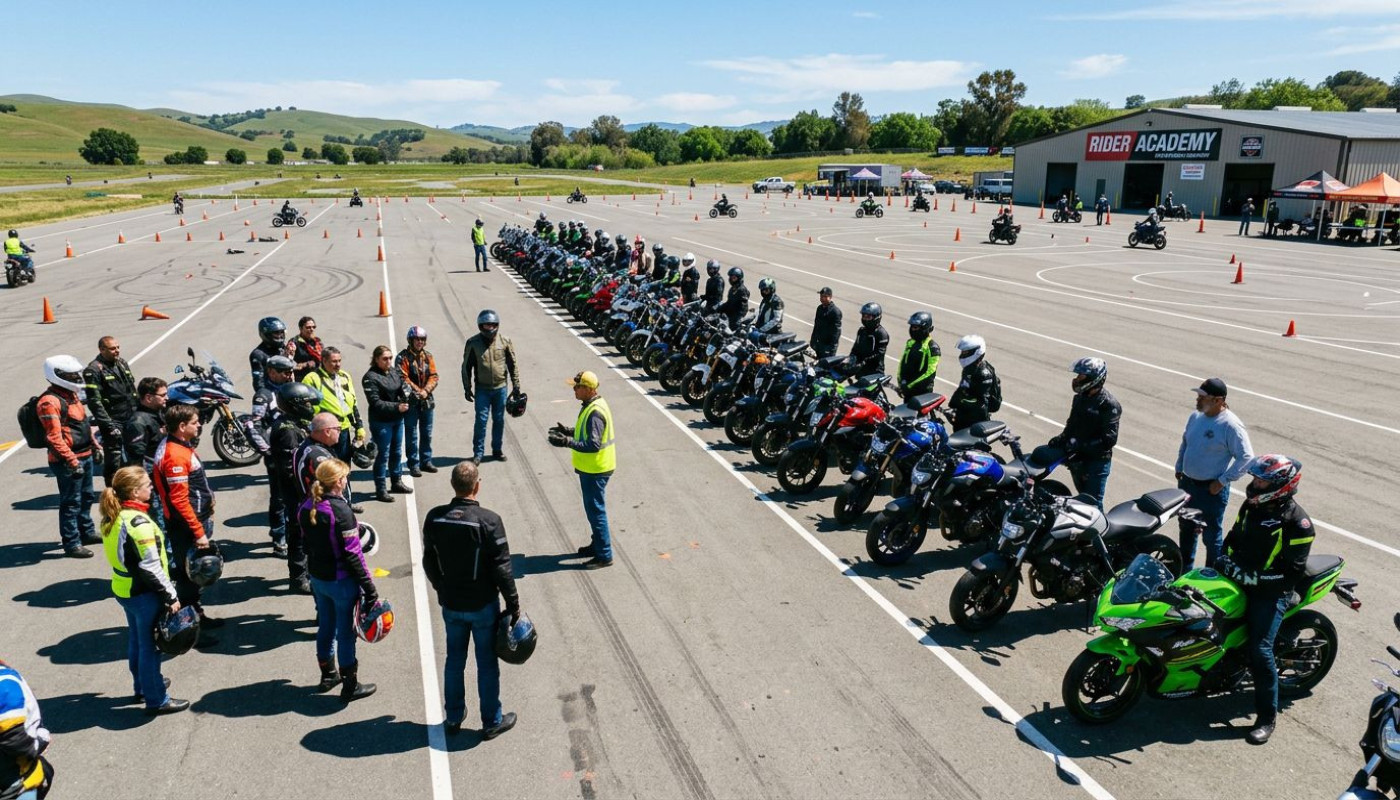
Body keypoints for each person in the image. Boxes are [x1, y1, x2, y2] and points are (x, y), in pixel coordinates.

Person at [1214, 454, 1312, 745]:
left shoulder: (1298, 523)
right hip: (1240, 576)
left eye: (1262, 480)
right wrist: (1222, 557)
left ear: (1281, 485)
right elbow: (1234, 536)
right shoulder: (1251, 505)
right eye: (1255, 479)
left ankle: (1267, 718)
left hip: (1273, 591)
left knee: (1260, 649)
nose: (1255, 484)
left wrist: (1256, 579)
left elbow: (1292, 572)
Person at [422, 461, 521, 739]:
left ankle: (453, 717)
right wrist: (513, 605)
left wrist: (441, 588)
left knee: (454, 660)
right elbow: (502, 568)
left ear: (454, 485)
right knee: (487, 663)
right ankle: (491, 721)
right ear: (477, 485)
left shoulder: (435, 518)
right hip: (482, 605)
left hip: (451, 603)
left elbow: (429, 560)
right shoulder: (489, 520)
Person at [100, 466, 187, 715]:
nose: (152, 488)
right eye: (148, 485)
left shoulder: (113, 515)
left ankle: (142, 686)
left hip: (124, 589)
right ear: (135, 492)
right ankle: (156, 698)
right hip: (143, 594)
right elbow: (150, 567)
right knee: (151, 646)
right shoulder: (137, 523)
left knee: (137, 640)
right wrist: (170, 596)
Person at [299, 459, 379, 703]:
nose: (346, 480)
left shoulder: (305, 505)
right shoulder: (341, 511)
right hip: (341, 582)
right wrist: (370, 587)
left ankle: (328, 675)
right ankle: (350, 685)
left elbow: (304, 544)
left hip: (318, 578)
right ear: (337, 482)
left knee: (326, 626)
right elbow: (354, 554)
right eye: (345, 477)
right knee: (345, 633)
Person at [152, 403, 219, 638]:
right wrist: (198, 531)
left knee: (192, 577)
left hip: (190, 522)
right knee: (189, 576)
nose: (199, 424)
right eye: (194, 422)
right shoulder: (174, 455)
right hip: (186, 527)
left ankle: (197, 617)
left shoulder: (179, 446)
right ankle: (189, 632)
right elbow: (180, 501)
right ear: (182, 426)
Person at [1175, 378, 1254, 569]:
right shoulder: (1196, 416)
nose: (1198, 399)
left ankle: (1211, 575)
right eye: (1198, 395)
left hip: (1210, 491)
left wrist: (1222, 481)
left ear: (1218, 400)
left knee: (1211, 538)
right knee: (1186, 532)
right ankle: (1184, 572)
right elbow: (1186, 442)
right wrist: (1179, 466)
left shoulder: (1230, 425)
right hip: (1187, 486)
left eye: (1203, 397)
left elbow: (1246, 457)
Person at [549, 371, 616, 569]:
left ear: (588, 389)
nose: (574, 389)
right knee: (593, 510)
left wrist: (567, 442)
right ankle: (597, 545)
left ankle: (604, 554)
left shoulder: (594, 411)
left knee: (596, 511)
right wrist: (569, 431)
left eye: (577, 387)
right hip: (593, 468)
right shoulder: (592, 405)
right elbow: (587, 432)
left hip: (596, 469)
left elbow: (593, 444)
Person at [38, 355, 100, 557]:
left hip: (85, 454)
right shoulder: (49, 402)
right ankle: (72, 543)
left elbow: (83, 423)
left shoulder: (72, 395)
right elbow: (54, 437)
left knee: (87, 497)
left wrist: (95, 445)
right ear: (57, 376)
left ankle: (87, 531)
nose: (76, 378)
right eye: (71, 375)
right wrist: (72, 461)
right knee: (71, 502)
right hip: (67, 461)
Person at [1047, 358, 1120, 509]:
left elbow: (1109, 440)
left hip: (1096, 463)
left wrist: (1080, 447)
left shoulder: (1109, 404)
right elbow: (1072, 424)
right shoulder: (1080, 398)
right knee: (1082, 498)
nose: (1077, 379)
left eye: (1081, 376)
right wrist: (1062, 439)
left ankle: (1098, 532)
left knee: (1093, 504)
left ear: (1095, 379)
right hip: (1077, 460)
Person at [302, 347, 367, 509]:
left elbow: (353, 403)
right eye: (333, 361)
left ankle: (347, 503)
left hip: (342, 430)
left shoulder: (345, 376)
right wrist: (310, 427)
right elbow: (304, 406)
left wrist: (359, 427)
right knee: (325, 472)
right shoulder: (312, 378)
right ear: (323, 361)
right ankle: (322, 505)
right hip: (323, 433)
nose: (338, 364)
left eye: (339, 361)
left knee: (343, 470)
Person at [272, 386, 322, 591]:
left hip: (302, 491)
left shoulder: (294, 423)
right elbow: (290, 469)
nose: (310, 407)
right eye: (307, 403)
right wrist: (308, 490)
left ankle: (306, 571)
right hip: (296, 493)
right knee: (299, 532)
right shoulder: (287, 431)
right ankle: (298, 576)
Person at [244, 356, 296, 552]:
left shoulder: (290, 388)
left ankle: (293, 531)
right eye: (285, 372)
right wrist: (268, 451)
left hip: (294, 449)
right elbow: (252, 425)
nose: (289, 375)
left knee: (297, 494)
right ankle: (279, 536)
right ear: (272, 372)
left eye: (290, 371)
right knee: (280, 497)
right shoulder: (263, 395)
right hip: (277, 455)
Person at [462, 310, 522, 464]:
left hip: (500, 388)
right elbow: (466, 367)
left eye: (492, 325)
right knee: (481, 421)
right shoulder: (472, 343)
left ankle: (497, 450)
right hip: (482, 389)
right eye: (486, 325)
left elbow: (512, 365)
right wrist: (467, 387)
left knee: (499, 420)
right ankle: (478, 453)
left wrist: (516, 385)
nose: (489, 328)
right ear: (480, 326)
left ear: (497, 325)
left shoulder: (505, 341)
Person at [84, 336, 138, 487]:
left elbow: (131, 389)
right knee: (114, 458)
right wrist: (108, 425)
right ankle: (112, 491)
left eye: (118, 347)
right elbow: (95, 402)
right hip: (113, 419)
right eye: (113, 348)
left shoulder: (122, 363)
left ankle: (132, 487)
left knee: (135, 452)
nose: (117, 351)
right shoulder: (93, 370)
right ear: (102, 350)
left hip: (131, 416)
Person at [362, 346, 412, 503]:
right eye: (385, 358)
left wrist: (406, 393)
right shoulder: (370, 377)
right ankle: (381, 489)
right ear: (376, 359)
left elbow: (402, 385)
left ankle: (396, 482)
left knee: (397, 452)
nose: (389, 361)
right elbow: (375, 402)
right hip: (381, 422)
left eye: (390, 358)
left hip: (397, 419)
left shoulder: (393, 371)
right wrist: (397, 406)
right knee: (382, 455)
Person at [0, 658, 53, 799]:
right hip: (13, 781)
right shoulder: (5, 686)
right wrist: (40, 740)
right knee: (44, 772)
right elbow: (17, 742)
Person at [123, 377, 168, 530]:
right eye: (162, 395)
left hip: (161, 476)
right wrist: (144, 485)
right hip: (150, 482)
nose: (166, 398)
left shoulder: (157, 413)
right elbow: (136, 459)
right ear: (148, 397)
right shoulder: (138, 422)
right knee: (158, 518)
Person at [397, 326, 439, 477]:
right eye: (417, 339)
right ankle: (413, 463)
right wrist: (417, 391)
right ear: (410, 340)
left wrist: (426, 391)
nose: (420, 342)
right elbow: (402, 378)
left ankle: (426, 461)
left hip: (427, 400)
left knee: (427, 433)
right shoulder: (402, 357)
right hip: (411, 401)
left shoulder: (428, 356)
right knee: (412, 434)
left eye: (422, 339)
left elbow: (434, 376)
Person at [949, 335, 1000, 431]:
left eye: (965, 352)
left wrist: (959, 403)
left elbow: (980, 402)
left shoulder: (984, 374)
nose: (962, 355)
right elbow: (964, 388)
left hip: (976, 420)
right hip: (965, 416)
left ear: (977, 352)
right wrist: (953, 405)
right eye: (962, 352)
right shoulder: (969, 369)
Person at [897, 312, 940, 400]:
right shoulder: (910, 343)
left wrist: (910, 386)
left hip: (922, 393)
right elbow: (902, 364)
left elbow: (930, 372)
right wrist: (901, 382)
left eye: (916, 327)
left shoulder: (932, 347)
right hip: (907, 391)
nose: (913, 330)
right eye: (912, 327)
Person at [845, 302, 888, 377]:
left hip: (874, 373)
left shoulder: (881, 334)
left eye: (868, 316)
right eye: (864, 316)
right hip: (860, 370)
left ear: (876, 317)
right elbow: (855, 348)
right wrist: (850, 359)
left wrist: (863, 362)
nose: (865, 319)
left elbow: (879, 354)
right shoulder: (861, 331)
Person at [249, 317, 290, 393]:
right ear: (266, 334)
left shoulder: (285, 348)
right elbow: (258, 382)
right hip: (272, 394)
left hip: (287, 392)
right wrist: (266, 397)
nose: (280, 335)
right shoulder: (258, 354)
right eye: (276, 333)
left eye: (281, 332)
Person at [812, 287, 843, 358]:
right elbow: (816, 326)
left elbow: (836, 333)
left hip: (828, 346)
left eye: (825, 296)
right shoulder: (819, 309)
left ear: (830, 297)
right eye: (821, 296)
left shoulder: (835, 312)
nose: (822, 298)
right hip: (819, 344)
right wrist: (813, 341)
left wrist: (831, 349)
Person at [291, 316, 323, 381]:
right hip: (301, 379)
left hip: (316, 377)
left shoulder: (317, 342)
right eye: (308, 327)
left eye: (313, 327)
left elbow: (323, 359)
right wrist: (305, 364)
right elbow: (288, 363)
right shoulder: (294, 343)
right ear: (301, 329)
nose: (312, 329)